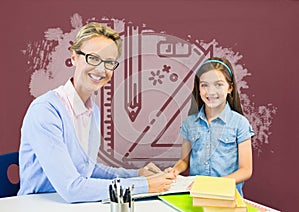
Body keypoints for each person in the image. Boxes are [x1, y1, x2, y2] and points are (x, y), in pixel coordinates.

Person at [17, 22, 174, 203]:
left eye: (109, 62)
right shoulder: (45, 111)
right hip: (38, 205)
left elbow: (87, 169)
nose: (101, 69)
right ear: (74, 57)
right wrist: (145, 185)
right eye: (93, 58)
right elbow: (72, 189)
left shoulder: (92, 111)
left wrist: (138, 174)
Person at [166, 57, 254, 196]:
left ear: (230, 88)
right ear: (198, 88)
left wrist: (214, 185)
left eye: (218, 84)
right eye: (204, 85)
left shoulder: (240, 123)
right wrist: (175, 170)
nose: (211, 91)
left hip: (228, 197)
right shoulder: (190, 123)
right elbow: (184, 160)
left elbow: (246, 169)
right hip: (196, 196)